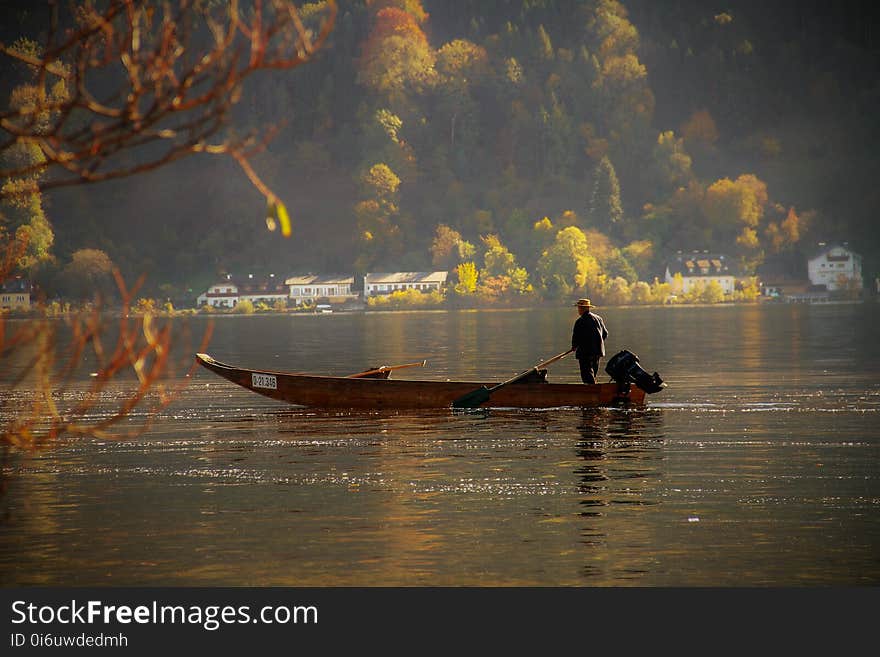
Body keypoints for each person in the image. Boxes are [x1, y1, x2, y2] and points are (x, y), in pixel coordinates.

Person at [571, 298, 608, 384]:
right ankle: (594, 390)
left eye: (579, 308)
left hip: (585, 353)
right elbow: (605, 334)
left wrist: (574, 347)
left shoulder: (580, 321)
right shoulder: (599, 319)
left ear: (583, 308)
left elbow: (576, 337)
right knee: (592, 374)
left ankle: (591, 392)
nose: (578, 310)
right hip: (598, 352)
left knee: (586, 375)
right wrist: (598, 343)